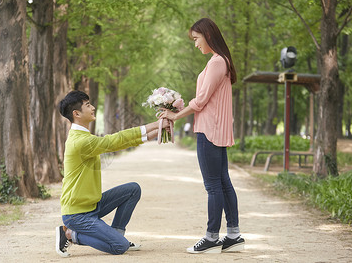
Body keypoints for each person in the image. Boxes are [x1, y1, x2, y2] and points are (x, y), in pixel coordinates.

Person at [159, 18, 245, 254]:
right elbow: (207, 99)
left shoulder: (217, 62)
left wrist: (176, 115)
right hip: (215, 128)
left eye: (196, 39)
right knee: (223, 182)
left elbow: (201, 100)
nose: (195, 44)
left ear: (207, 35)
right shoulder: (219, 62)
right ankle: (234, 235)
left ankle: (211, 238)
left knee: (213, 186)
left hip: (209, 130)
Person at [56, 90, 169, 257]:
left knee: (133, 189)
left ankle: (115, 235)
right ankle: (70, 234)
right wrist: (156, 124)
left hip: (92, 205)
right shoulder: (80, 141)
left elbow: (121, 142)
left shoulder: (83, 136)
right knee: (119, 247)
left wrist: (159, 129)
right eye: (88, 105)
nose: (93, 108)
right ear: (76, 113)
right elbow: (116, 141)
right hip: (76, 215)